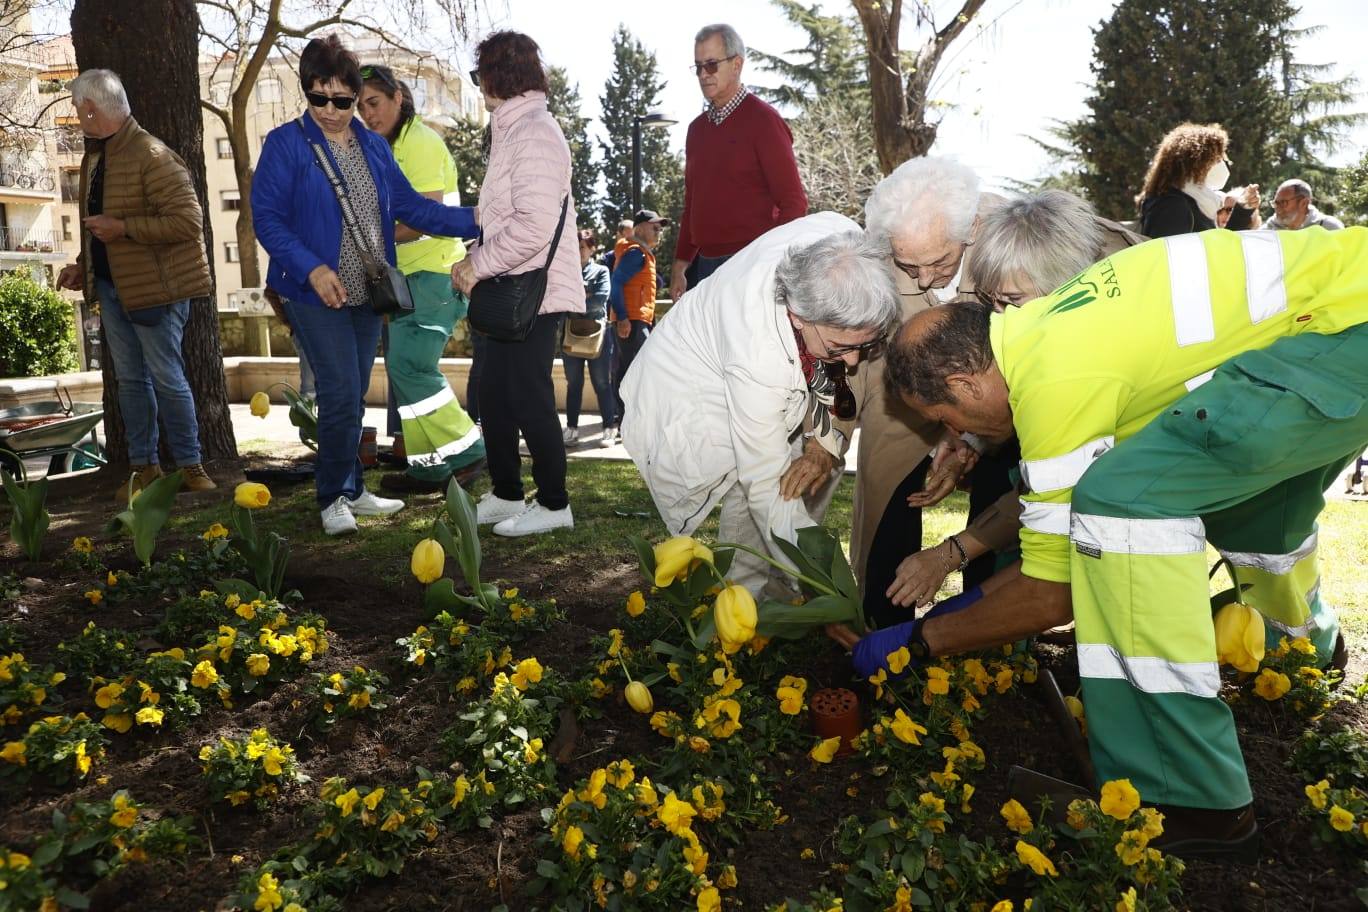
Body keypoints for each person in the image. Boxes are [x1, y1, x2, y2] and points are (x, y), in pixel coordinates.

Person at [839, 227, 1366, 861]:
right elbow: (1046, 550)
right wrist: (956, 610)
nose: (955, 435)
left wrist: (921, 639)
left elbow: (1051, 593)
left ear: (967, 382)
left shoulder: (1054, 380)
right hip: (1335, 327)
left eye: (947, 419)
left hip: (1336, 336)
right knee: (1255, 509)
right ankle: (1306, 645)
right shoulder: (1052, 330)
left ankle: (1193, 796)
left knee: (1123, 509)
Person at [251, 34, 476, 535]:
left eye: (342, 100)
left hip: (366, 292)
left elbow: (414, 209)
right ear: (306, 93)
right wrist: (312, 268)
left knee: (353, 397)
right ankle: (332, 496)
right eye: (318, 97)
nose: (330, 110)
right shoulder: (286, 145)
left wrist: (481, 219)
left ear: (355, 96)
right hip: (313, 292)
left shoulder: (374, 146)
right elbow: (266, 219)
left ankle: (352, 488)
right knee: (340, 391)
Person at [882, 189, 1145, 613]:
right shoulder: (1065, 329)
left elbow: (1048, 575)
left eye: (1013, 302)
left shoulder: (1094, 358)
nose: (1002, 321)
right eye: (993, 303)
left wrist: (933, 628)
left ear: (1070, 282)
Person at [622, 214, 898, 596]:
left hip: (771, 365)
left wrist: (821, 441)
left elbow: (829, 371)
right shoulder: (756, 354)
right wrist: (826, 587)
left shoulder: (847, 249)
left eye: (861, 347)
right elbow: (767, 487)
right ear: (800, 317)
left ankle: (788, 594)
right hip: (697, 382)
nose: (853, 362)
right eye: (842, 348)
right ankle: (744, 602)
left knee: (812, 466)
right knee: (757, 487)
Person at [848, 157, 1004, 627]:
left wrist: (970, 441)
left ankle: (986, 629)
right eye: (907, 264)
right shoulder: (878, 256)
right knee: (888, 491)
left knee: (1004, 486)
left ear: (972, 228)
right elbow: (854, 360)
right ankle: (883, 627)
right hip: (906, 392)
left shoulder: (1010, 246)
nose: (921, 280)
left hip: (1001, 394)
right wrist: (826, 439)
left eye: (937, 262)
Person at [55, 69, 216, 501]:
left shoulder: (153, 155)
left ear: (92, 108)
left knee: (167, 379)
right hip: (113, 289)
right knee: (130, 382)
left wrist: (123, 228)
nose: (77, 115)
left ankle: (190, 467)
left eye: (77, 108)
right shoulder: (96, 158)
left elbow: (188, 222)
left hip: (158, 291)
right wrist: (81, 265)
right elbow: (100, 227)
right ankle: (144, 468)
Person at [451, 30, 582, 537]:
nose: (478, 85)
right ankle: (507, 492)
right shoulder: (513, 130)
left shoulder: (533, 132)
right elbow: (505, 212)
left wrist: (475, 264)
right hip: (514, 284)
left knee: (527, 395)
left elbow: (533, 226)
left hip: (535, 291)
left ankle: (554, 503)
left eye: (478, 74)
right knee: (495, 394)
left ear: (496, 77)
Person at [357, 63, 486, 494]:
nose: (367, 115)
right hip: (409, 279)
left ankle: (468, 452)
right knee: (405, 368)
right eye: (360, 107)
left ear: (398, 97)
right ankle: (430, 465)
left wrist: (369, 244)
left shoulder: (422, 143)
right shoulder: (389, 146)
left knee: (409, 366)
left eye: (373, 102)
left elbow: (425, 219)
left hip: (435, 274)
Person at [668, 23, 807, 301]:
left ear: (736, 64)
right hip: (705, 269)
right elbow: (692, 204)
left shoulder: (763, 121)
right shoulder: (696, 130)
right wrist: (680, 264)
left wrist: (769, 261)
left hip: (753, 265)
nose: (703, 75)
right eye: (697, 67)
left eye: (711, 65)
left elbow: (794, 203)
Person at [604, 210, 669, 448]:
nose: (658, 232)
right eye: (654, 227)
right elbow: (617, 282)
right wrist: (622, 318)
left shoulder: (641, 254)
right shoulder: (635, 253)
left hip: (634, 320)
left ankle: (627, 425)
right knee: (641, 375)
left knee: (626, 374)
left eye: (660, 228)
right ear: (640, 229)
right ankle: (636, 427)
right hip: (631, 322)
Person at [1137, 123, 1259, 237]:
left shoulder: (1193, 201)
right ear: (1196, 161)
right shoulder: (1173, 206)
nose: (1224, 164)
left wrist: (1243, 209)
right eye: (1217, 159)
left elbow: (1217, 249)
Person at [563, 229, 613, 446]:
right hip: (571, 334)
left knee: (602, 383)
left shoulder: (601, 271)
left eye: (582, 247)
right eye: (575, 247)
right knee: (573, 383)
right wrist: (585, 294)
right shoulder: (565, 272)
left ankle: (609, 427)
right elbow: (561, 298)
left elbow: (600, 300)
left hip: (597, 335)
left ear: (592, 248)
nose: (578, 251)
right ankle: (572, 429)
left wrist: (577, 298)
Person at [1264, 179, 1345, 231]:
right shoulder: (1269, 229)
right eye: (1276, 203)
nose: (1278, 208)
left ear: (1304, 203)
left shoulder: (1330, 228)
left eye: (1283, 203)